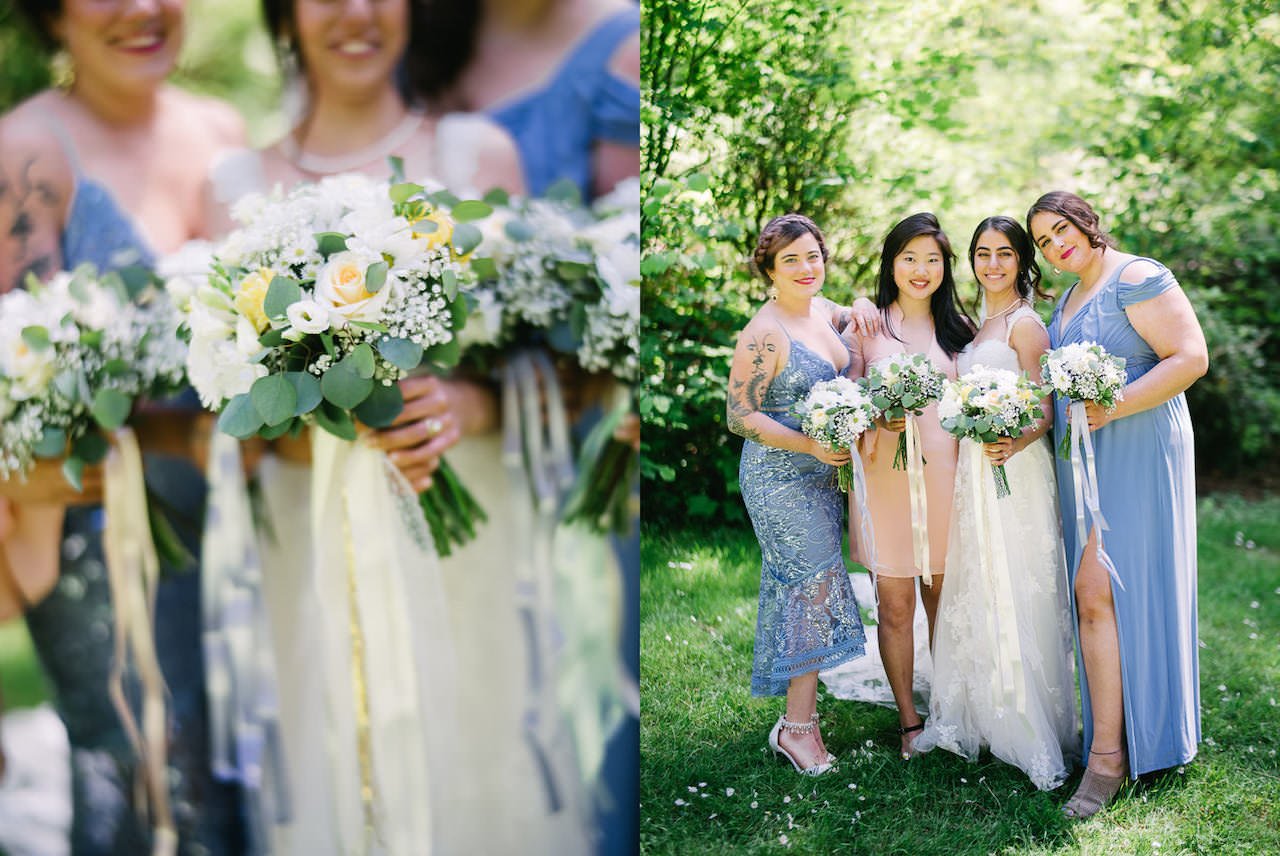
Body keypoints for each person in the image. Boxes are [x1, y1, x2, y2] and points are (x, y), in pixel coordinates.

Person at [206, 0, 536, 852]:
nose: (356, 13)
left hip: (466, 521)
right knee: (339, 755)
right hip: (312, 532)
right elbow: (231, 414)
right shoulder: (234, 190)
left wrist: (471, 403)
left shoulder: (475, 154)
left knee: (474, 745)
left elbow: (544, 361)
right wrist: (322, 411)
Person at [0, 0, 247, 852]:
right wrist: (186, 442)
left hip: (241, 532)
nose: (142, 8)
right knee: (151, 782)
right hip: (98, 545)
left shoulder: (223, 129)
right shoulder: (25, 155)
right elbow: (24, 403)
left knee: (244, 774)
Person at [1028, 191, 1206, 818]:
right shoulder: (1069, 299)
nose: (1056, 246)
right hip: (1087, 460)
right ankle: (1123, 737)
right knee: (1097, 594)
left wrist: (1114, 406)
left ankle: (1111, 757)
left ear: (1086, 221)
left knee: (1105, 590)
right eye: (1044, 243)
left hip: (1140, 445)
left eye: (1061, 230)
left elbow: (1191, 357)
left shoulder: (1137, 276)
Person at [912, 216, 1079, 789]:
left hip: (1014, 469)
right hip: (972, 476)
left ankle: (1025, 720)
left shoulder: (1026, 326)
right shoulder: (975, 324)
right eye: (982, 253)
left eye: (1004, 253)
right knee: (978, 579)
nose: (992, 264)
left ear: (1022, 261)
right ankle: (977, 712)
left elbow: (1046, 408)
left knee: (1015, 577)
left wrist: (1014, 437)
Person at [726, 213, 867, 776]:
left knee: (810, 586)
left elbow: (849, 316)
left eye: (814, 255)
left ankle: (795, 719)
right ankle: (797, 729)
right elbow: (739, 415)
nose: (807, 268)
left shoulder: (819, 311)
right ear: (768, 269)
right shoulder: (765, 332)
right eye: (792, 260)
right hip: (778, 476)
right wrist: (809, 446)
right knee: (813, 587)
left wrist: (859, 308)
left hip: (820, 476)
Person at [842, 212, 974, 758]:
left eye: (933, 260)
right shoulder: (867, 327)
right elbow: (844, 403)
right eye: (909, 258)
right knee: (894, 605)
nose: (921, 270)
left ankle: (950, 706)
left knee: (945, 598)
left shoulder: (961, 331)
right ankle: (909, 720)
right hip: (886, 482)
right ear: (891, 264)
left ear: (945, 267)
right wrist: (876, 414)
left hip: (947, 482)